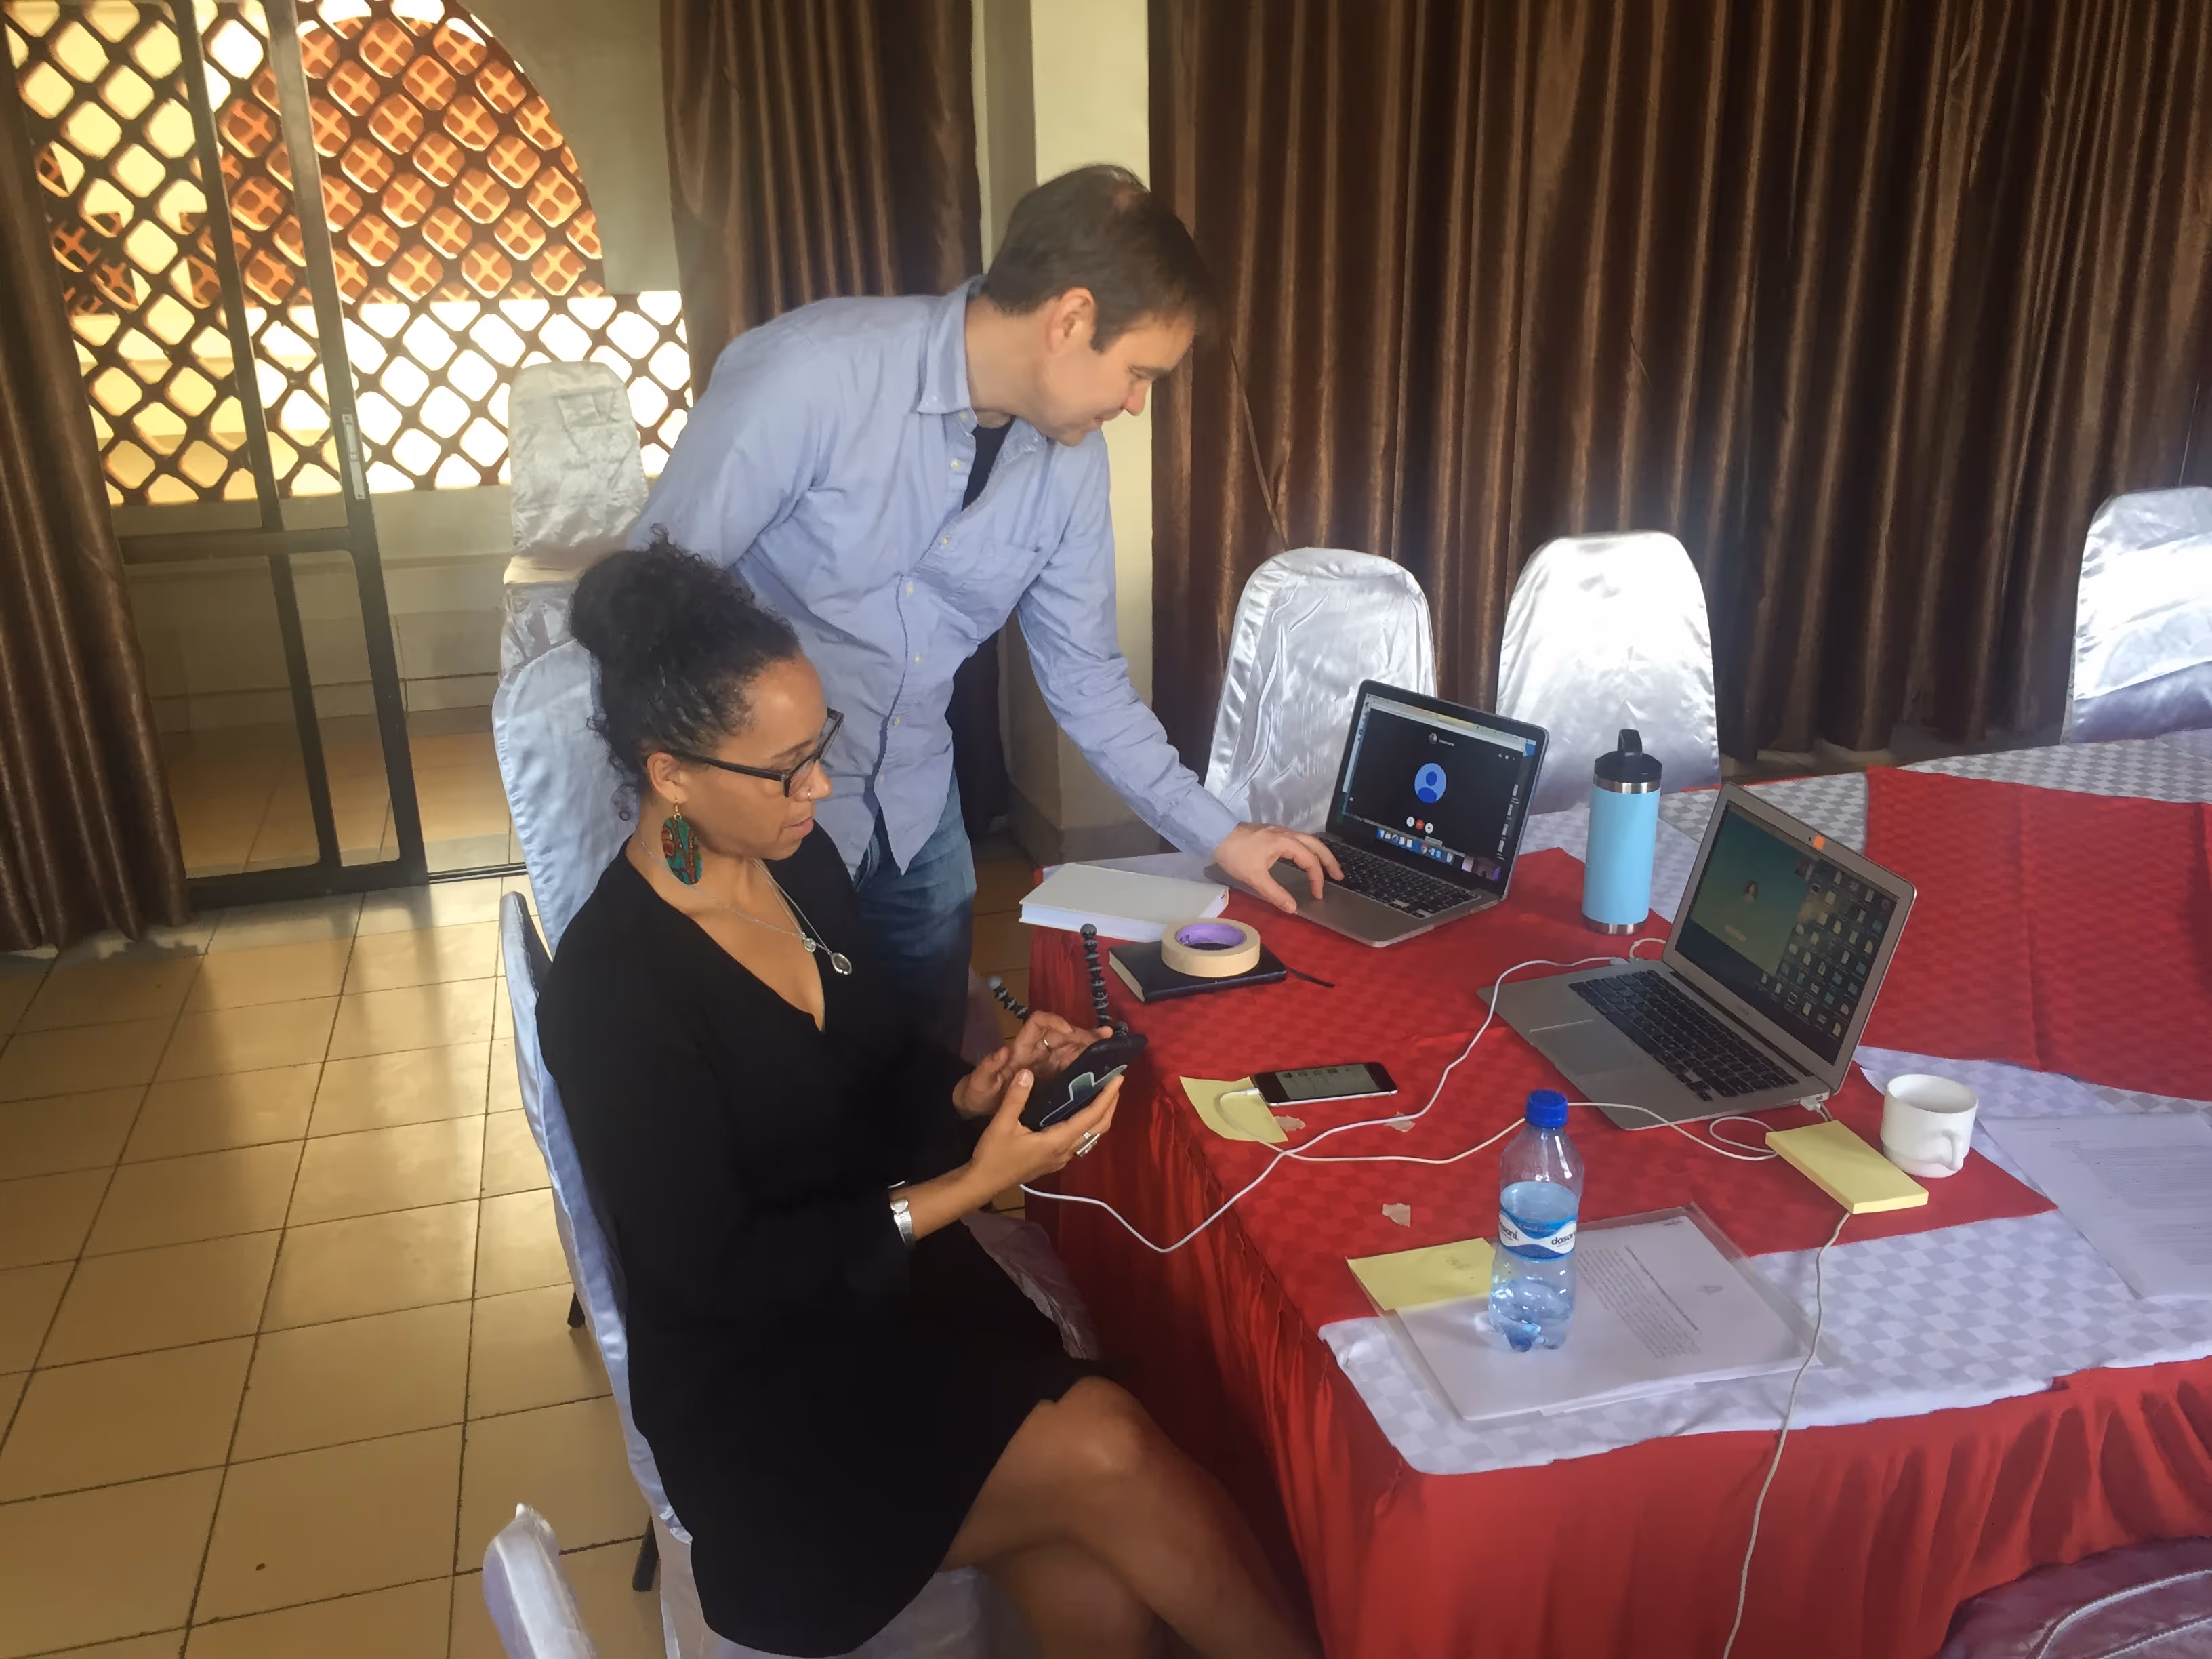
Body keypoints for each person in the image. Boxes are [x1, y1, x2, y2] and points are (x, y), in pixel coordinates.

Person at [539, 544, 1319, 1659]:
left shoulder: (800, 867)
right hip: (770, 1400)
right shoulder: (613, 991)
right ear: (671, 775)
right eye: (784, 771)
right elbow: (719, 1274)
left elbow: (872, 1070)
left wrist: (971, 1088)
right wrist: (969, 1186)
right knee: (1110, 1456)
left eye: (819, 751)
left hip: (898, 1309)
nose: (818, 790)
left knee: (1096, 1563)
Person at [632, 164, 1341, 1045]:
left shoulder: (1071, 466)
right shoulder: (811, 377)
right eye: (1138, 372)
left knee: (933, 1069)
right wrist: (663, 841)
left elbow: (1086, 680)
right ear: (1071, 319)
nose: (1137, 404)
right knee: (788, 1074)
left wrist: (1222, 835)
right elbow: (648, 609)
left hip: (919, 812)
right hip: (766, 818)